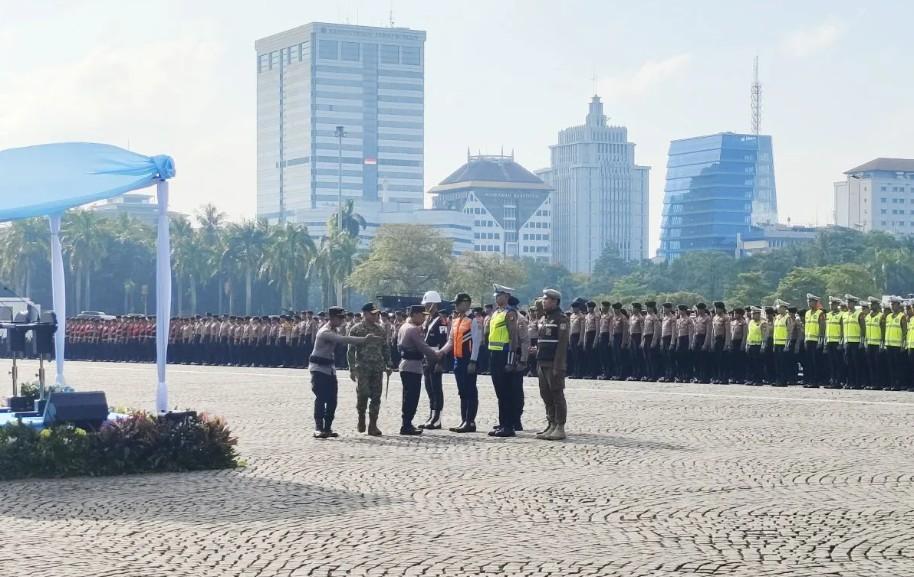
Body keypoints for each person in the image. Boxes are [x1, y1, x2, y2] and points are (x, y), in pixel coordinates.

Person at [308, 307, 381, 439]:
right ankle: (318, 428)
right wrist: (364, 340)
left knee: (332, 400)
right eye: (340, 318)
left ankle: (328, 428)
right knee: (321, 398)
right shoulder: (325, 332)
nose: (343, 320)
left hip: (329, 369)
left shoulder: (334, 329)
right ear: (332, 318)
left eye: (343, 317)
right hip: (319, 369)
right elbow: (343, 340)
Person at [347, 303, 392, 436]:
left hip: (378, 368)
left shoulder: (380, 330)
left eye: (376, 313)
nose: (376, 316)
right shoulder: (356, 329)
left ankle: (373, 425)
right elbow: (351, 350)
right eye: (372, 313)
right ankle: (361, 416)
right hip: (363, 368)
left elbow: (385, 348)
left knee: (376, 397)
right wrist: (352, 369)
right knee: (363, 394)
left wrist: (389, 364)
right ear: (365, 314)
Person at [397, 305, 443, 435]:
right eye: (422, 315)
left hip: (405, 365)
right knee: (412, 397)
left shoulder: (404, 327)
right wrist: (437, 355)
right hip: (413, 366)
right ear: (415, 315)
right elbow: (423, 347)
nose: (424, 318)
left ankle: (406, 423)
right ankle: (406, 425)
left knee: (407, 396)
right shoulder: (413, 329)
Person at [439, 293, 481, 433]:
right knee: (462, 391)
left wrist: (473, 361)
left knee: (470, 391)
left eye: (458, 303)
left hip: (468, 359)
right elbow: (451, 341)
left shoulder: (473, 320)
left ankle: (470, 421)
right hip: (458, 359)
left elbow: (476, 342)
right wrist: (442, 352)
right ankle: (464, 420)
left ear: (466, 303)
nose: (455, 306)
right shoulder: (456, 320)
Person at [533, 289, 570, 440]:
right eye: (543, 299)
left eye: (547, 299)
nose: (543, 301)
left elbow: (561, 345)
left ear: (555, 301)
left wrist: (558, 366)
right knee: (546, 394)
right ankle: (551, 423)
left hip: (553, 363)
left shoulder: (561, 319)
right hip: (542, 361)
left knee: (557, 394)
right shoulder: (545, 318)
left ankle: (560, 426)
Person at [487, 284, 518, 438]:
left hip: (504, 355)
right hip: (494, 354)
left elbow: (513, 338)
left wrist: (511, 361)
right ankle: (502, 422)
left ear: (505, 297)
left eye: (499, 296)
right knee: (499, 392)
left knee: (506, 392)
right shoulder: (495, 313)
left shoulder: (510, 313)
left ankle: (508, 425)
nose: (496, 298)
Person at [420, 290, 448, 430]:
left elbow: (443, 342)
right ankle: (431, 414)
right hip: (426, 357)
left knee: (437, 388)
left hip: (436, 356)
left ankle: (437, 418)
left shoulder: (441, 320)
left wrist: (440, 362)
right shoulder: (428, 319)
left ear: (434, 304)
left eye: (428, 304)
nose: (426, 307)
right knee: (429, 388)